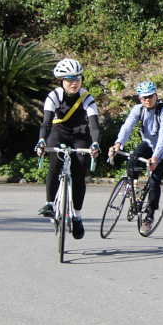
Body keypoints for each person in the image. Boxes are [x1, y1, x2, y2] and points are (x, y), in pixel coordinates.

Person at [36, 59, 101, 240]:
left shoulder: (87, 98)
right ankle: (49, 204)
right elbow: (46, 124)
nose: (74, 82)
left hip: (80, 136)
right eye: (69, 78)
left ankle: (77, 216)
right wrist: (42, 141)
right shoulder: (54, 96)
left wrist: (95, 143)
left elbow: (94, 127)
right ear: (60, 80)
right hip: (59, 134)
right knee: (55, 161)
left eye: (78, 78)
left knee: (79, 170)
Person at [108, 82, 163, 233]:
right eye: (144, 98)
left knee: (154, 181)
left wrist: (155, 158)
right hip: (148, 143)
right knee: (132, 159)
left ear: (156, 96)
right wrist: (118, 144)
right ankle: (133, 185)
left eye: (150, 96)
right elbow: (127, 126)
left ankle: (149, 217)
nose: (147, 100)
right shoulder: (138, 110)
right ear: (140, 98)